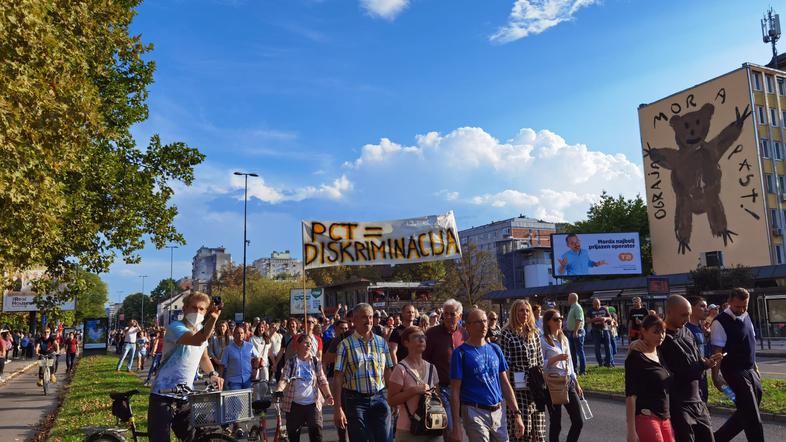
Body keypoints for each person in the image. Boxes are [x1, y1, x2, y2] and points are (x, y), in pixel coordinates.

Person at [633, 295, 721, 442]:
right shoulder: (660, 339)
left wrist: (706, 362)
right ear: (669, 312)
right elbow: (672, 372)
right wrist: (702, 365)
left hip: (697, 400)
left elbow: (695, 358)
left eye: (688, 315)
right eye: (683, 315)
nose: (687, 319)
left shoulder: (687, 331)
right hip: (677, 404)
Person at [148, 291, 224, 441]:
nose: (198, 312)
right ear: (184, 309)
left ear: (206, 311)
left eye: (202, 309)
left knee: (195, 438)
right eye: (194, 308)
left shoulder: (202, 329)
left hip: (184, 396)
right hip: (163, 395)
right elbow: (196, 340)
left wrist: (213, 374)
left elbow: (203, 357)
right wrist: (214, 318)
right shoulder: (176, 327)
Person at [451, 308, 525, 442]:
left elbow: (505, 383)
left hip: (498, 412)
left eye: (485, 321)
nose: (484, 325)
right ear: (468, 326)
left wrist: (517, 414)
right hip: (474, 411)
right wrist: (456, 425)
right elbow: (455, 391)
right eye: (478, 322)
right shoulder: (460, 353)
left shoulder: (495, 349)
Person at [333, 303, 393, 442]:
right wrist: (338, 409)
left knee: (386, 438)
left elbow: (388, 371)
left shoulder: (381, 343)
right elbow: (338, 378)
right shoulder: (345, 345)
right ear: (354, 320)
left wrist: (393, 398)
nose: (369, 320)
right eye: (364, 317)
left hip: (379, 398)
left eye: (371, 317)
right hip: (355, 402)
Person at [710, 288, 764, 442]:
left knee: (747, 409)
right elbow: (717, 351)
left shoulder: (746, 316)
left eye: (744, 306)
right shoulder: (720, 322)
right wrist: (715, 377)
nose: (741, 310)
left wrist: (755, 367)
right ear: (729, 302)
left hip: (750, 369)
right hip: (734, 371)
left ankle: (717, 439)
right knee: (751, 414)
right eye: (737, 306)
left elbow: (750, 343)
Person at [500, 299, 545, 442]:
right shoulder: (506, 334)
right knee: (522, 432)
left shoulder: (534, 333)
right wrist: (508, 391)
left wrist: (542, 384)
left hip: (535, 388)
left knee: (539, 433)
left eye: (527, 310)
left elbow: (540, 361)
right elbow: (505, 366)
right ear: (514, 312)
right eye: (521, 310)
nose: (525, 313)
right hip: (517, 389)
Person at [625, 314, 674, 442]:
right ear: (644, 331)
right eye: (656, 332)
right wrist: (631, 430)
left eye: (663, 332)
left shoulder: (660, 353)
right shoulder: (636, 358)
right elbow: (630, 396)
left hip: (665, 418)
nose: (661, 335)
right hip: (646, 417)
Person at [424, 298, 467, 441]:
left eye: (452, 314)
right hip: (441, 388)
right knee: (449, 428)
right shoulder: (432, 334)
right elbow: (425, 362)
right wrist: (432, 388)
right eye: (445, 314)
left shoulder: (464, 334)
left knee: (462, 428)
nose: (448, 317)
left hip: (462, 389)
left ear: (459, 316)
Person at [388, 325, 441, 442]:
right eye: (416, 337)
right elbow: (391, 400)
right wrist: (414, 391)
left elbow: (438, 398)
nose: (421, 339)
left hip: (433, 427)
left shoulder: (432, 368)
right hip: (409, 430)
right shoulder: (400, 369)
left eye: (423, 337)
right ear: (406, 343)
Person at [278, 334, 334, 442]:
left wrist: (328, 395)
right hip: (294, 405)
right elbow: (284, 379)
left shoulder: (315, 361)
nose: (309, 346)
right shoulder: (291, 362)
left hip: (313, 404)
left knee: (317, 433)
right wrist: (279, 390)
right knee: (293, 436)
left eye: (310, 344)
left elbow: (322, 380)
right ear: (298, 344)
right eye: (306, 343)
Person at [541, 309, 584, 442]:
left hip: (567, 381)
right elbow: (539, 365)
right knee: (556, 423)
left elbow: (570, 363)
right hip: (552, 383)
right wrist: (556, 358)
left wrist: (576, 382)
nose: (559, 321)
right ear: (548, 322)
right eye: (555, 319)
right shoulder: (543, 340)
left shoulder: (564, 338)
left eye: (561, 319)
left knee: (578, 421)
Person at [686, 296, 711, 402]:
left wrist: (707, 337)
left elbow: (702, 350)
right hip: (692, 378)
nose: (706, 309)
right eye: (702, 306)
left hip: (702, 374)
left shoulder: (700, 328)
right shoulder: (685, 329)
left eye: (706, 306)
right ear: (691, 308)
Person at [221, 324, 254, 390]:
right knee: (236, 397)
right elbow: (222, 365)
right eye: (238, 333)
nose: (240, 335)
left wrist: (255, 369)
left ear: (244, 334)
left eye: (242, 333)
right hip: (234, 381)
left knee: (247, 397)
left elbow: (256, 358)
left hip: (247, 379)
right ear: (233, 335)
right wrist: (220, 378)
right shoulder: (228, 349)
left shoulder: (250, 346)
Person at [587, 298, 614, 368]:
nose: (597, 306)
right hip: (595, 330)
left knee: (608, 346)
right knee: (597, 347)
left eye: (598, 305)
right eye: (595, 305)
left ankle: (608, 363)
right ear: (593, 304)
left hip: (605, 329)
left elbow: (610, 318)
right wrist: (595, 319)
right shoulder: (590, 310)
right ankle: (600, 363)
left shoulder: (604, 309)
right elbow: (588, 321)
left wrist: (605, 318)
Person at [564, 293, 586, 375]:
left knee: (579, 351)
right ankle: (574, 369)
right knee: (572, 352)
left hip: (577, 332)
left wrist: (575, 331)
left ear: (572, 299)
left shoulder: (577, 307)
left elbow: (578, 319)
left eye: (569, 298)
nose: (568, 300)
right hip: (571, 332)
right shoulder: (572, 307)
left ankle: (582, 371)